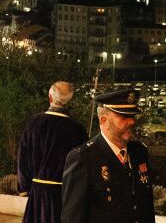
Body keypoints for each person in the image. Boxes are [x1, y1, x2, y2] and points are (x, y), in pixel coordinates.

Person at [62, 88, 155, 223]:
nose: (132, 122)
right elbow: (72, 217)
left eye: (132, 116)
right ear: (104, 120)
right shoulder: (84, 158)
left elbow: (147, 208)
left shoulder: (139, 153)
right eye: (124, 117)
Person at [17, 81, 88, 223]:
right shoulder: (77, 129)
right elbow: (83, 165)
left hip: (38, 196)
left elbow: (22, 157)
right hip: (65, 196)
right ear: (69, 101)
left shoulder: (33, 123)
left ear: (50, 97)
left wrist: (23, 187)